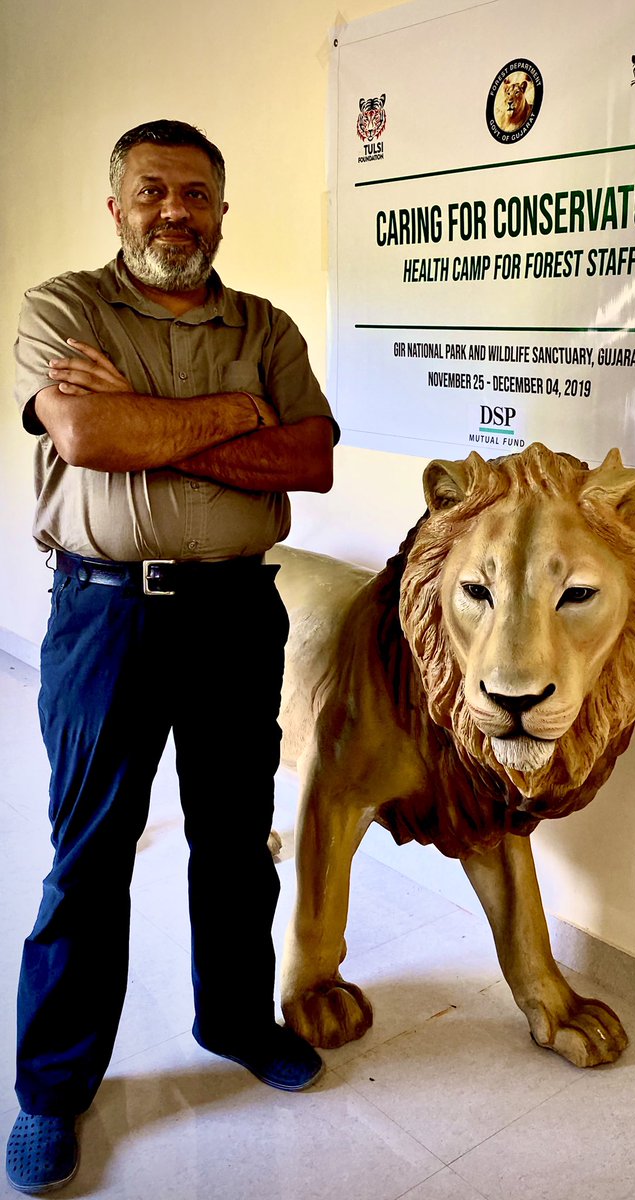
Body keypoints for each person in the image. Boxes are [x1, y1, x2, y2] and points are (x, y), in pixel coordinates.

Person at [5, 119, 339, 1195]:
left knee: (237, 839)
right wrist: (233, 416)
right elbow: (89, 439)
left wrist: (150, 416)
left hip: (237, 613)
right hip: (105, 615)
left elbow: (312, 458)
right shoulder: (65, 308)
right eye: (152, 191)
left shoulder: (267, 325)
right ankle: (54, 1091)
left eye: (195, 194)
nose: (174, 211)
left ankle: (236, 1020)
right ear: (117, 206)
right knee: (90, 854)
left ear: (222, 210)